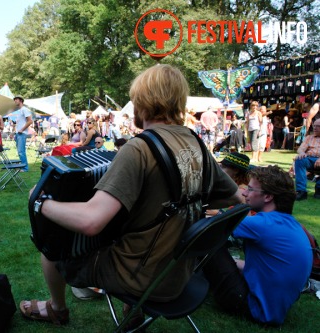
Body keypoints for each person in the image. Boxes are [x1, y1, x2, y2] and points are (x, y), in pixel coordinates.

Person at [19, 64, 240, 326]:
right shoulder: (197, 144)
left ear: (143, 102)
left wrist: (40, 201)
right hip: (179, 274)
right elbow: (235, 200)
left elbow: (91, 222)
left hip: (141, 278)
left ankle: (57, 309)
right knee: (128, 233)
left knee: (52, 245)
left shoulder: (139, 148)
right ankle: (132, 313)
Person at [203, 165, 312, 326]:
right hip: (275, 309)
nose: (244, 193)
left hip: (253, 307)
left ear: (268, 197)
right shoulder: (290, 224)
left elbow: (207, 226)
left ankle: (173, 288)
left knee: (205, 238)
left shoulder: (263, 224)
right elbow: (268, 268)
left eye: (250, 189)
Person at [294, 118, 320, 200]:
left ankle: (319, 188)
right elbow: (300, 149)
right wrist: (302, 153)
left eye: (318, 126)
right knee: (299, 160)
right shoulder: (309, 137)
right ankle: (301, 191)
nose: (315, 128)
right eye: (314, 126)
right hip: (310, 159)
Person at [13, 96, 33, 172]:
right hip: (18, 134)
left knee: (21, 151)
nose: (15, 101)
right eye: (14, 100)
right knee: (20, 151)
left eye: (16, 99)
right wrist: (14, 132)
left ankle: (25, 168)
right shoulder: (20, 111)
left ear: (21, 100)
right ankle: (22, 166)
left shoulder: (25, 109)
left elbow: (30, 121)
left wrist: (22, 129)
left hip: (22, 133)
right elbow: (19, 123)